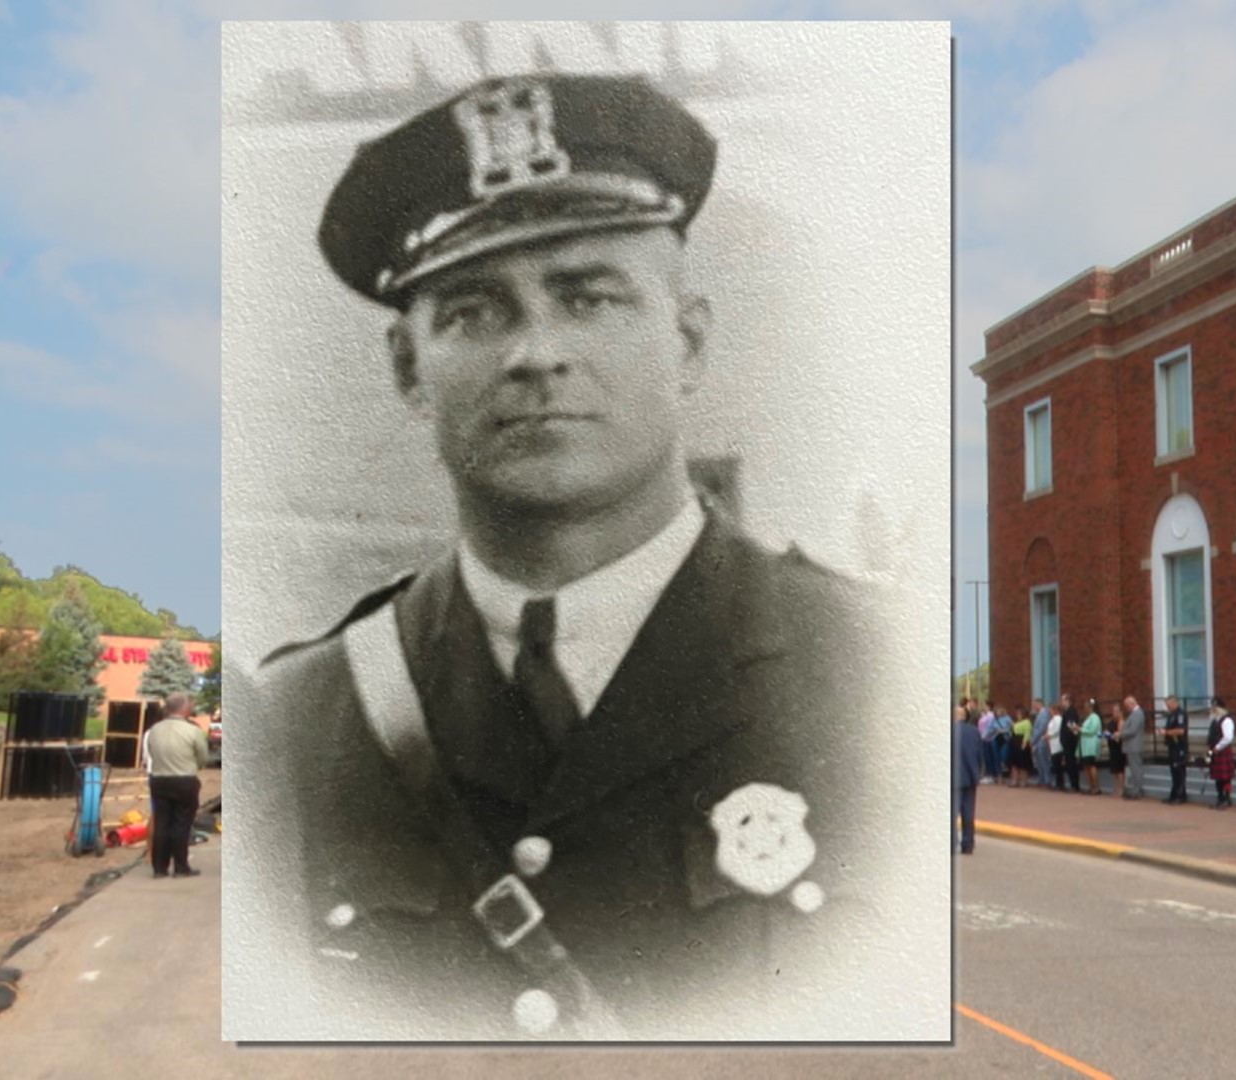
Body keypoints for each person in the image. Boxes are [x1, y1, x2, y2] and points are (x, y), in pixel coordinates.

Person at [246, 72, 888, 1040]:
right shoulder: (304, 720)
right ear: (407, 368)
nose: (535, 353)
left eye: (588, 298)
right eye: (473, 311)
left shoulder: (878, 670)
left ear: (688, 342)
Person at [143, 693, 209, 879]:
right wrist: (194, 765)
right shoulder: (193, 731)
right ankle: (181, 867)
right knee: (182, 823)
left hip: (159, 779)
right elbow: (203, 757)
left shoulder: (154, 730)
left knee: (162, 822)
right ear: (184, 708)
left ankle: (159, 868)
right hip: (184, 780)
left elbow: (152, 754)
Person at [953, 705, 983, 854]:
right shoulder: (974, 731)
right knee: (968, 812)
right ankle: (968, 843)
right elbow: (979, 754)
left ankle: (952, 844)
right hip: (970, 777)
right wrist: (978, 773)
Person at [1205, 697, 1236, 810]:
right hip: (1215, 751)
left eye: (1215, 707)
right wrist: (1210, 750)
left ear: (1220, 709)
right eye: (1212, 707)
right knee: (1218, 778)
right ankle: (1220, 798)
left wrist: (1217, 748)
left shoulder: (1226, 721)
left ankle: (1227, 799)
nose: (1212, 709)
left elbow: (1228, 737)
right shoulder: (1215, 721)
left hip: (1222, 751)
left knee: (1225, 778)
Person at [1160, 696, 1189, 805]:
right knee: (1173, 771)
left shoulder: (1181, 714)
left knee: (1179, 771)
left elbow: (1181, 730)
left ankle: (1181, 795)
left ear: (1174, 703)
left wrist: (1166, 732)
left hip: (1179, 746)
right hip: (1172, 746)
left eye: (1168, 705)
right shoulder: (1171, 715)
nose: (1167, 707)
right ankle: (1174, 794)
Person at [1118, 695, 1146, 800]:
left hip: (1134, 745)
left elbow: (1133, 730)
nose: (1126, 708)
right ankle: (1137, 789)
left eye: (1127, 705)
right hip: (1132, 745)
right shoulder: (1135, 714)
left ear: (1131, 704)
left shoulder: (1137, 714)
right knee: (1135, 769)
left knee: (1136, 769)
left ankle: (1137, 790)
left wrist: (1121, 733)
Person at [1078, 700, 1104, 795]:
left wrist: (1080, 729)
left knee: (1091, 765)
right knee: (1086, 766)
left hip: (1091, 745)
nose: (1084, 709)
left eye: (1086, 707)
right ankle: (1091, 786)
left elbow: (1092, 730)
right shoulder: (1088, 718)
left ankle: (1096, 787)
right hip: (1085, 746)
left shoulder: (1095, 717)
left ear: (1090, 707)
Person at [1058, 693, 1082, 792]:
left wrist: (1067, 737)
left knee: (1071, 763)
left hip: (1070, 741)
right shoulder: (1067, 712)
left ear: (1067, 701)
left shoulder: (1071, 712)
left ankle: (1075, 785)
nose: (1061, 703)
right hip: (1067, 741)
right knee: (1069, 763)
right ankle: (1073, 784)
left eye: (1062, 700)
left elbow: (1071, 726)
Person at [1030, 698, 1054, 790]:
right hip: (1038, 740)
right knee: (1039, 762)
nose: (1033, 706)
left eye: (1035, 704)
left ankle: (1047, 780)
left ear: (1039, 704)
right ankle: (1042, 779)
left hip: (1041, 740)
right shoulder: (1039, 714)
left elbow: (1041, 728)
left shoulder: (1044, 713)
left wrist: (1033, 739)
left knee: (1044, 761)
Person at [1045, 702, 1066, 791]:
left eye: (1051, 710)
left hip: (1057, 744)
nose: (1050, 712)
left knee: (1058, 765)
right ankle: (1058, 783)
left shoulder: (1058, 719)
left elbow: (1057, 730)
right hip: (1053, 744)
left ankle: (1060, 784)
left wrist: (1049, 735)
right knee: (1055, 765)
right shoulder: (1052, 719)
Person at [1010, 708, 1033, 788]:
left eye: (1019, 714)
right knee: (1014, 763)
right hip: (1014, 742)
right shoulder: (1017, 722)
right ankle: (1014, 780)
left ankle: (1023, 781)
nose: (1017, 715)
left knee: (1023, 763)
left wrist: (1024, 743)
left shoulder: (1027, 722)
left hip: (1021, 741)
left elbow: (1027, 733)